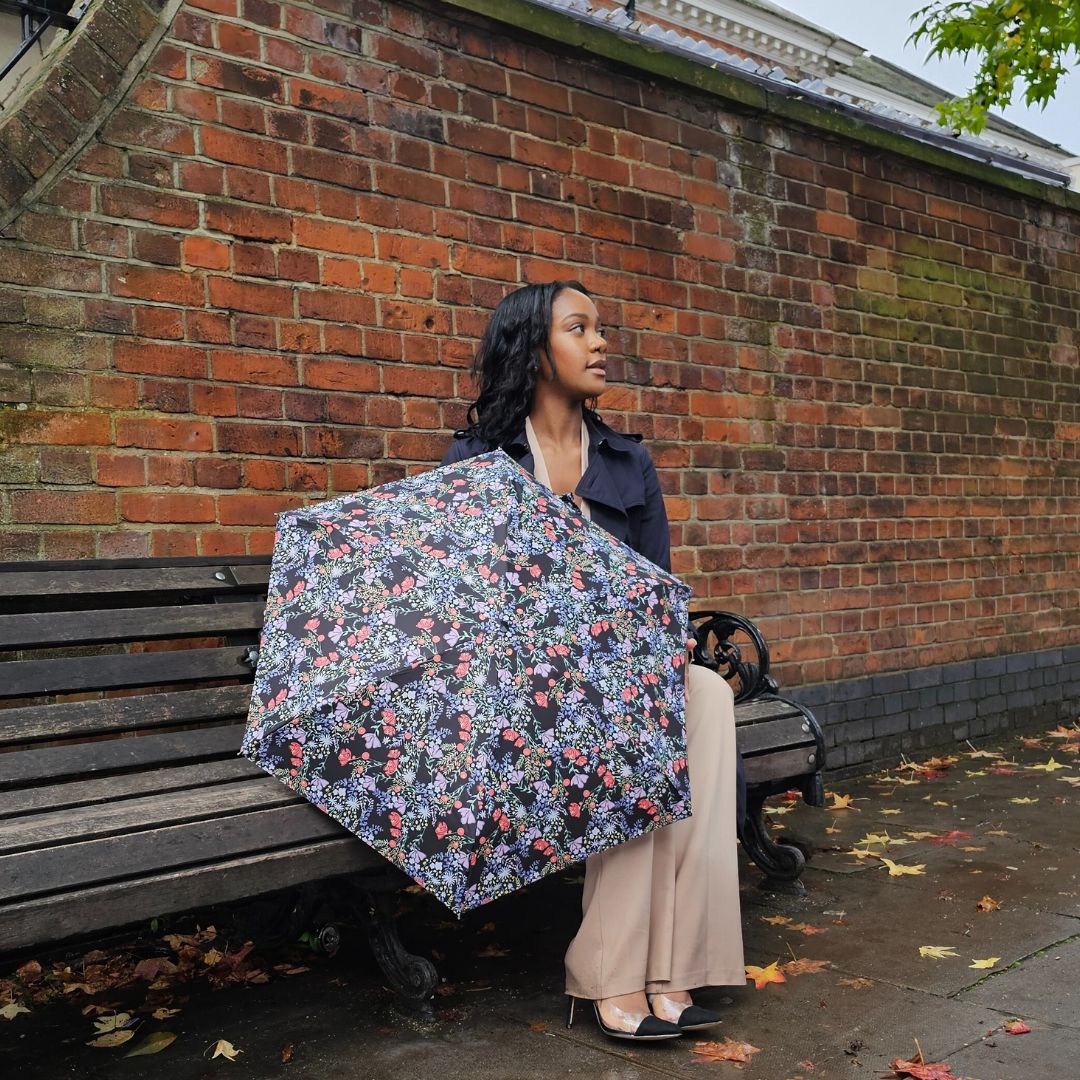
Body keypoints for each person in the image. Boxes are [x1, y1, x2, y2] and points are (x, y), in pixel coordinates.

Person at [442, 280, 745, 1042]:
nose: (602, 343)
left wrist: (655, 643)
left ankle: (674, 971)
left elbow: (660, 587)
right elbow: (462, 603)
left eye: (600, 329)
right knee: (629, 717)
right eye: (581, 329)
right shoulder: (478, 461)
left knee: (703, 692)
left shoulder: (626, 461)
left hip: (621, 671)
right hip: (525, 693)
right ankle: (612, 976)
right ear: (534, 350)